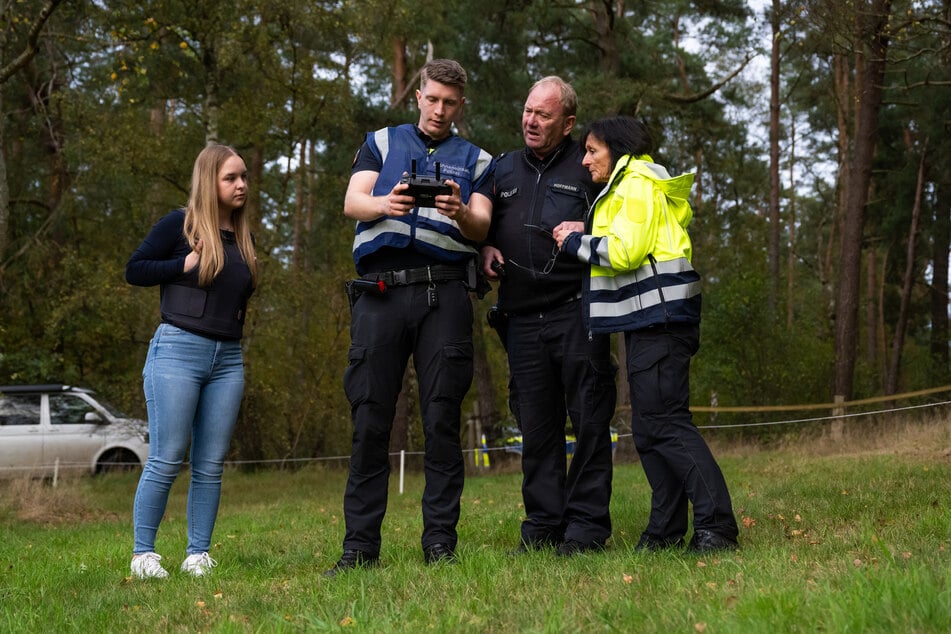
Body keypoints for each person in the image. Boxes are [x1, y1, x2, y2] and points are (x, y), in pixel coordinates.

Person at [325, 58, 494, 576]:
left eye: (450, 102)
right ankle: (359, 550)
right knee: (370, 420)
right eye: (433, 98)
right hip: (380, 294)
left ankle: (440, 544)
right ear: (418, 95)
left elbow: (483, 224)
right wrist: (387, 204)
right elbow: (353, 201)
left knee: (442, 420)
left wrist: (459, 211)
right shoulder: (381, 141)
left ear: (460, 105)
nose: (440, 110)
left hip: (444, 296)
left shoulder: (479, 159)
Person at [553, 116, 740, 553]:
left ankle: (717, 527)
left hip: (661, 319)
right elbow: (631, 237)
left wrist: (572, 243)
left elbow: (625, 251)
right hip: (648, 320)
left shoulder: (634, 182)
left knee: (665, 425)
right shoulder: (631, 186)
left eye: (592, 150)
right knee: (650, 429)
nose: (585, 160)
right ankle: (664, 532)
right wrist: (588, 229)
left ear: (617, 150)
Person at [481, 77, 617, 556]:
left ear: (568, 124)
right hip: (520, 320)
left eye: (543, 115)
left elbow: (625, 218)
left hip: (577, 313)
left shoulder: (590, 166)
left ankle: (585, 529)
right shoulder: (501, 169)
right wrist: (486, 246)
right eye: (527, 111)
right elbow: (481, 223)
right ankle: (543, 525)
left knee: (590, 423)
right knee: (536, 429)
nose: (530, 121)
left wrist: (592, 225)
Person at [125, 144, 258, 578]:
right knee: (167, 456)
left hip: (228, 359)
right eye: (231, 178)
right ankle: (144, 555)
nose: (241, 185)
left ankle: (197, 554)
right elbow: (135, 269)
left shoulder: (242, 236)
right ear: (210, 182)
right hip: (178, 351)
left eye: (243, 177)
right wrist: (186, 262)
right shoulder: (177, 225)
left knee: (210, 464)